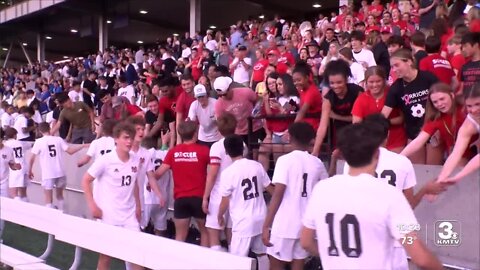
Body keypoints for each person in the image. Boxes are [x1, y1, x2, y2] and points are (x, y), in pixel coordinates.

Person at [300, 122, 443, 270]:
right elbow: (419, 256)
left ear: (343, 153)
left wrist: (331, 258)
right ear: (377, 153)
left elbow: (305, 241)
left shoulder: (322, 189)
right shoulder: (390, 195)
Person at [81, 121, 148, 270]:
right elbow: (85, 180)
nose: (129, 141)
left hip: (129, 215)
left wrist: (138, 206)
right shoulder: (105, 160)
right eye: (125, 137)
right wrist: (93, 205)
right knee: (106, 256)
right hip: (108, 215)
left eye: (131, 138)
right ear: (116, 139)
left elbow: (135, 184)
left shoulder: (136, 160)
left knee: (138, 255)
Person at [262, 122, 328, 270]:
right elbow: (324, 191)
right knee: (298, 265)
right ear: (311, 139)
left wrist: (267, 225)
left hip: (284, 225)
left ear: (289, 137)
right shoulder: (317, 163)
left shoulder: (284, 161)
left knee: (276, 266)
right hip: (305, 225)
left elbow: (278, 195)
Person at [217, 135, 273, 270]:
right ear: (243, 148)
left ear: (226, 152)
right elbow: (271, 189)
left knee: (237, 260)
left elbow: (225, 201)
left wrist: (219, 216)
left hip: (243, 222)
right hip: (261, 218)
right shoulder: (257, 165)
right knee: (262, 254)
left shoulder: (228, 173)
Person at [154, 121, 210, 246]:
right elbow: (213, 172)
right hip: (199, 198)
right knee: (205, 232)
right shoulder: (204, 151)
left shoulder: (173, 152)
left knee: (180, 237)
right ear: (195, 134)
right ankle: (203, 264)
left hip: (180, 199)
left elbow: (158, 174)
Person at [382, 49, 439, 164]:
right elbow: (383, 115)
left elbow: (443, 101)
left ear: (409, 62)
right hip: (414, 134)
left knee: (433, 170)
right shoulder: (396, 88)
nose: (394, 70)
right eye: (392, 67)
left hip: (434, 131)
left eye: (397, 65)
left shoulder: (428, 78)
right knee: (417, 172)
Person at [401, 83, 473, 165]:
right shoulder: (436, 119)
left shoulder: (467, 109)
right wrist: (399, 157)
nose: (439, 104)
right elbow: (418, 141)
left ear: (452, 95)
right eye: (435, 102)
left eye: (442, 99)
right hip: (458, 155)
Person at [312, 60, 364, 157]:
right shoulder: (328, 98)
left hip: (359, 132)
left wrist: (336, 116)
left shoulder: (357, 92)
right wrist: (315, 151)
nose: (335, 86)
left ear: (346, 79)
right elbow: (322, 126)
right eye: (332, 83)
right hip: (340, 134)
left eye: (339, 82)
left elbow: (360, 119)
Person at [29, 123, 86, 210]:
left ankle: (50, 218)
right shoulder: (58, 139)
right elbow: (70, 151)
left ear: (40, 131)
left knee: (48, 199)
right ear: (50, 128)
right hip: (60, 172)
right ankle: (62, 213)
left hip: (48, 173)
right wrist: (82, 145)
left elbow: (32, 158)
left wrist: (30, 170)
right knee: (60, 196)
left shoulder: (39, 142)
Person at [202, 113, 238, 250]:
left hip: (219, 193)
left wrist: (205, 197)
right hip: (236, 195)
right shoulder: (243, 144)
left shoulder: (217, 147)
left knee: (213, 232)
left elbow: (212, 174)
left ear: (218, 129)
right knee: (231, 232)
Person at [436, 83, 480, 183]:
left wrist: (458, 176)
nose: (473, 110)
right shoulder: (469, 123)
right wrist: (441, 179)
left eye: (478, 104)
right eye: (469, 106)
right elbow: (456, 153)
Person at [0, 128, 21, 239]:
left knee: (2, 212)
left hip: (3, 184)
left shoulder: (8, 150)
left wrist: (15, 166)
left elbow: (11, 164)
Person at [4, 128, 30, 201]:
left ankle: (20, 209)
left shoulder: (6, 144)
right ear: (14, 135)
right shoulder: (20, 143)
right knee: (23, 193)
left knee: (13, 193)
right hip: (24, 167)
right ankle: (27, 208)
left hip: (15, 169)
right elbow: (30, 145)